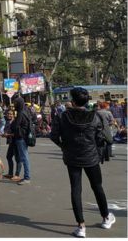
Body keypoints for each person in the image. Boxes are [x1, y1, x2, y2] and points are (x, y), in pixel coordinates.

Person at [50, 87, 116, 238]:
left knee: (76, 189)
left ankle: (81, 226)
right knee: (97, 187)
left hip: (72, 157)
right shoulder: (94, 116)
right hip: (91, 157)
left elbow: (54, 135)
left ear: (72, 101)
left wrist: (64, 146)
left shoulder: (63, 116)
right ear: (87, 101)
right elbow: (102, 138)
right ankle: (106, 217)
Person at [10, 97, 31, 185]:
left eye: (15, 103)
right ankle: (26, 176)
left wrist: (13, 123)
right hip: (22, 137)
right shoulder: (24, 112)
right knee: (23, 157)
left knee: (24, 158)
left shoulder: (20, 113)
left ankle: (27, 177)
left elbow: (15, 126)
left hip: (21, 138)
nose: (14, 105)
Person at [1, 110, 22, 182]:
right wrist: (4, 134)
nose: (9, 115)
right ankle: (10, 173)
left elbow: (16, 133)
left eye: (10, 114)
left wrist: (7, 135)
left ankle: (17, 175)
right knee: (8, 156)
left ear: (13, 115)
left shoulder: (15, 122)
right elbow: (6, 131)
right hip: (11, 142)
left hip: (16, 142)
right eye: (8, 114)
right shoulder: (8, 122)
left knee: (18, 159)